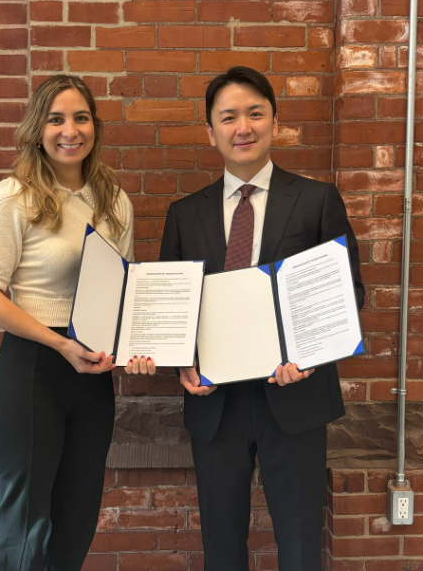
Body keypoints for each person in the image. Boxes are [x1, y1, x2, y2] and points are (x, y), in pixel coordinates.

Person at [159, 67, 365, 571]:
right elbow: (172, 310)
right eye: (228, 117)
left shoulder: (316, 200)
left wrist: (309, 356)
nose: (243, 127)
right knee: (222, 547)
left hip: (295, 397)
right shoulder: (184, 214)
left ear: (275, 121)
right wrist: (182, 363)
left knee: (300, 546)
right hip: (215, 404)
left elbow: (348, 294)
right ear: (211, 132)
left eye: (255, 113)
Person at [0, 75, 135, 571]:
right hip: (34, 368)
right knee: (24, 521)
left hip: (93, 375)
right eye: (56, 119)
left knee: (77, 515)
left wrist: (130, 346)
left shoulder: (114, 201)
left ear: (94, 126)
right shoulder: (14, 196)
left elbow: (123, 291)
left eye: (81, 118)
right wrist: (60, 344)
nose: (70, 130)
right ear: (37, 130)